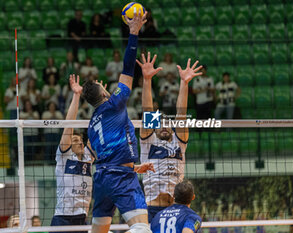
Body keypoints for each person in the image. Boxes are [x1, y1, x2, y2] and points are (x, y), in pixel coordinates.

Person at [81, 11, 155, 233]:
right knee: (142, 229)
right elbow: (128, 68)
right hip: (122, 178)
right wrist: (134, 33)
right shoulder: (115, 104)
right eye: (101, 85)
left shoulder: (93, 121)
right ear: (103, 91)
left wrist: (132, 165)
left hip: (104, 177)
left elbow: (96, 151)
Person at [138, 52, 202, 222]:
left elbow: (181, 113)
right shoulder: (148, 141)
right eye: (160, 123)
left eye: (167, 123)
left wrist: (184, 83)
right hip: (152, 210)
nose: (164, 126)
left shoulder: (178, 142)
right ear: (154, 127)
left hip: (177, 209)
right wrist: (147, 80)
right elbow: (147, 111)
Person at [50, 74, 95, 233]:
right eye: (75, 140)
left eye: (81, 139)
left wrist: (100, 101)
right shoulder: (65, 157)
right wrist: (76, 96)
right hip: (63, 218)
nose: (80, 141)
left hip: (82, 219)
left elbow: (97, 128)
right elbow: (68, 126)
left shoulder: (89, 158)